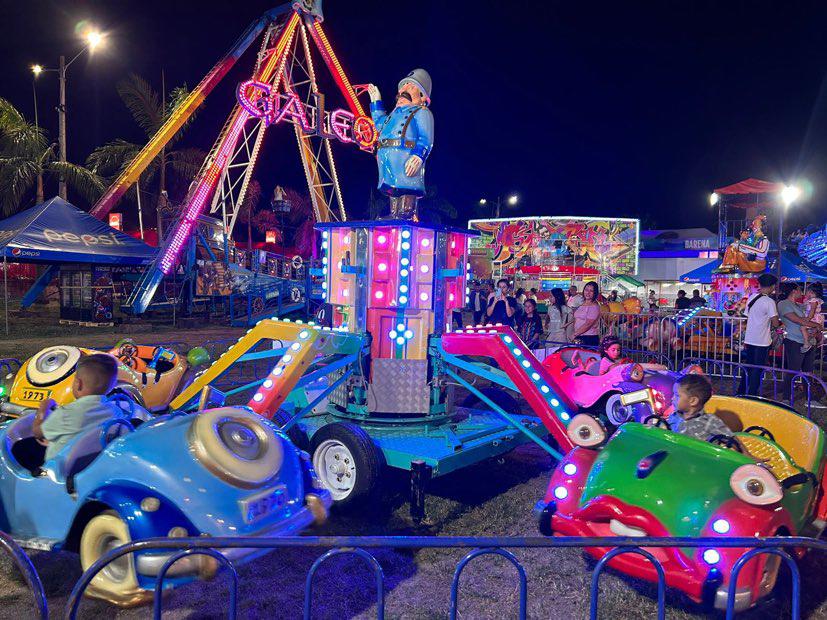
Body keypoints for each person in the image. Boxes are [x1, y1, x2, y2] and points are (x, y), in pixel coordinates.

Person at [367, 69, 434, 220]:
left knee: (407, 187)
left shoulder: (421, 112)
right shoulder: (393, 115)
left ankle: (405, 215)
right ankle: (395, 215)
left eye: (410, 87)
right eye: (402, 88)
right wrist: (376, 101)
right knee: (393, 189)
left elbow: (425, 138)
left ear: (422, 96)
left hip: (407, 159)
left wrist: (418, 156)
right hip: (388, 162)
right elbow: (380, 124)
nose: (403, 91)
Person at [33, 354, 122, 462]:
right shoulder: (116, 412)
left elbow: (37, 432)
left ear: (78, 383)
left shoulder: (66, 414)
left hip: (58, 471)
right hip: (93, 465)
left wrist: (43, 408)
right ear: (112, 386)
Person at [777, 282, 822, 402]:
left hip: (809, 341)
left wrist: (814, 327)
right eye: (799, 289)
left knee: (808, 371)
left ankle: (810, 399)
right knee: (793, 370)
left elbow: (810, 313)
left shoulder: (799, 305)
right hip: (794, 341)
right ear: (793, 291)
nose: (802, 292)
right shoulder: (783, 304)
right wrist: (817, 325)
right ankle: (786, 398)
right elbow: (798, 320)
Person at [739, 273, 781, 396]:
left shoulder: (752, 297)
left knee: (748, 367)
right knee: (758, 369)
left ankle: (741, 391)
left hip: (750, 339)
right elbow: (775, 322)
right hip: (762, 341)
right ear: (772, 286)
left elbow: (747, 315)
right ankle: (752, 394)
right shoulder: (769, 302)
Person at [667, 374, 733, 441]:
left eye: (677, 395)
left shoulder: (710, 421)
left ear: (693, 401)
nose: (672, 398)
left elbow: (733, 442)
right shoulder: (674, 416)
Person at [573, 281, 601, 346]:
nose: (588, 293)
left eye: (591, 291)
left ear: (595, 293)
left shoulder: (594, 306)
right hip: (579, 336)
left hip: (589, 337)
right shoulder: (582, 304)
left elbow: (588, 324)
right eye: (586, 290)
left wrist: (574, 334)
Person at [802, 283, 824, 353]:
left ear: (811, 292)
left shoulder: (813, 300)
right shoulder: (815, 300)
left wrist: (808, 319)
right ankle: (816, 341)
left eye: (807, 291)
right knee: (812, 331)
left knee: (803, 328)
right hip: (815, 318)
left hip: (813, 318)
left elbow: (812, 310)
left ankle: (806, 343)